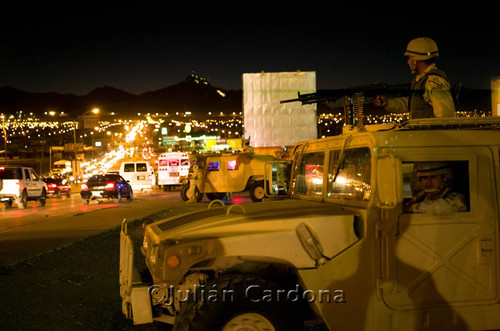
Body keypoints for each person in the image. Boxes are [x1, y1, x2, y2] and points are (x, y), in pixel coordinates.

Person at [374, 37, 456, 119]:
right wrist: (387, 102)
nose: (408, 62)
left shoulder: (434, 81)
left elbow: (446, 116)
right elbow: (411, 104)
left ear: (416, 60)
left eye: (410, 58)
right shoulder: (422, 80)